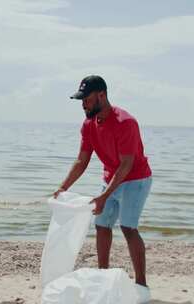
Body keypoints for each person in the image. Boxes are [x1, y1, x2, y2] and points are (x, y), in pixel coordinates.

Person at [54, 75, 153, 304]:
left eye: (86, 99)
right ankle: (102, 277)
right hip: (111, 176)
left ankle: (141, 284)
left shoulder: (125, 122)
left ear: (102, 95)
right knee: (101, 226)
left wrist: (104, 196)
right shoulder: (89, 124)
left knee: (128, 228)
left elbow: (127, 164)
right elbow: (82, 161)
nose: (83, 104)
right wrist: (62, 187)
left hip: (136, 179)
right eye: (81, 100)